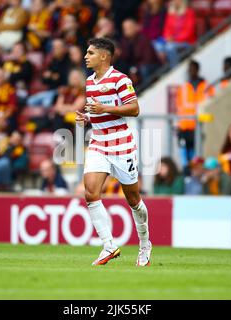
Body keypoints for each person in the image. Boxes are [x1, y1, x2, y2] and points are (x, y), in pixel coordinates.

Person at [75, 37, 151, 267]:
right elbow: (99, 112)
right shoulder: (89, 81)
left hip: (121, 144)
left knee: (133, 199)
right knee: (90, 192)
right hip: (98, 141)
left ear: (104, 56)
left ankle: (145, 244)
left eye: (90, 53)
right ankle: (108, 246)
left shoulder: (120, 79)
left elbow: (134, 109)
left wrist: (104, 108)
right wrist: (89, 117)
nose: (86, 56)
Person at [175, 60, 214, 170]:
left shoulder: (207, 86)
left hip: (200, 127)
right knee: (185, 157)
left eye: (193, 68)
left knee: (198, 156)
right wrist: (178, 126)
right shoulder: (183, 87)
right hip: (184, 127)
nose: (191, 71)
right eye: (189, 69)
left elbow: (211, 103)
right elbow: (179, 107)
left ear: (198, 69)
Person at [27, 38, 71, 108]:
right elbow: (44, 80)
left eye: (57, 47)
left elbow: (64, 80)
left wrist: (52, 76)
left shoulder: (68, 62)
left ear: (64, 48)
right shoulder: (53, 61)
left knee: (46, 103)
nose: (54, 50)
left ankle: (47, 118)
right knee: (30, 101)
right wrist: (53, 77)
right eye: (53, 47)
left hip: (61, 92)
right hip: (50, 90)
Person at [156, 0, 196, 67]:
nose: (175, 1)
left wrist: (174, 39)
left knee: (169, 47)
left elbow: (189, 32)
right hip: (172, 41)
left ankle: (175, 67)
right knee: (158, 46)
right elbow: (166, 28)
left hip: (187, 42)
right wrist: (168, 37)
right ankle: (163, 67)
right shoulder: (171, 13)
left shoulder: (189, 12)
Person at [120, 18, 160, 84]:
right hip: (134, 68)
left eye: (129, 28)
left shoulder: (143, 39)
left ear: (135, 27)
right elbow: (125, 59)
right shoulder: (124, 43)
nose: (127, 30)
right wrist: (132, 70)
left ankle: (147, 88)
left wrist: (135, 69)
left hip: (151, 65)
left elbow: (148, 59)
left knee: (144, 69)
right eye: (125, 29)